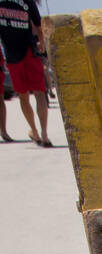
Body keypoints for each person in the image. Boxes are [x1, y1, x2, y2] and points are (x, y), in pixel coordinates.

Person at [0, 0, 51, 146]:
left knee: (23, 96)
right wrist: (41, 43)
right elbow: (39, 26)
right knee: (39, 93)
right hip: (30, 52)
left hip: (12, 55)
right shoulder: (28, 1)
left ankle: (35, 131)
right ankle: (44, 134)